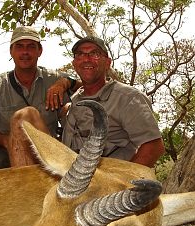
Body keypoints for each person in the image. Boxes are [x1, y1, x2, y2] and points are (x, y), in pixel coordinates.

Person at [0, 26, 78, 171]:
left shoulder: (54, 79)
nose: (25, 52)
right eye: (19, 47)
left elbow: (91, 84)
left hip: (49, 151)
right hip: (10, 151)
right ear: (11, 51)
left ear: (40, 51)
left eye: (31, 47)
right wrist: (8, 141)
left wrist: (66, 82)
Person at [62, 36, 165, 168]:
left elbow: (154, 147)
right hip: (71, 176)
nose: (86, 59)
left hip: (111, 179)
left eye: (95, 53)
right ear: (74, 64)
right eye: (80, 54)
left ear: (108, 63)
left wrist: (123, 182)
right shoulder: (75, 99)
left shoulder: (128, 97)